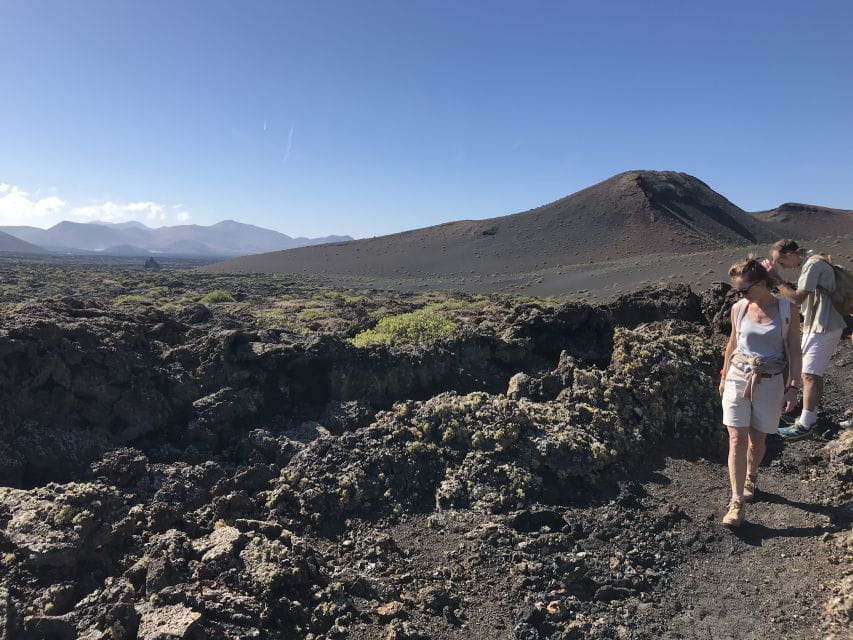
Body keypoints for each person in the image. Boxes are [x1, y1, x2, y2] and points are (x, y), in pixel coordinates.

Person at [719, 257, 801, 527]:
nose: (741, 295)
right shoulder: (739, 308)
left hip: (770, 380)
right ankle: (736, 502)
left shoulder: (787, 310)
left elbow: (794, 350)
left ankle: (751, 476)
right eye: (738, 291)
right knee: (736, 439)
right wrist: (723, 375)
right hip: (738, 377)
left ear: (763, 283)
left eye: (745, 289)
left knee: (757, 440)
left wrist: (792, 387)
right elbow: (733, 343)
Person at [762, 239, 846, 440]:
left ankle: (805, 425)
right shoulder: (812, 262)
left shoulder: (813, 264)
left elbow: (796, 298)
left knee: (808, 374)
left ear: (791, 254)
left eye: (781, 261)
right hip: (820, 323)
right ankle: (810, 416)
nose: (781, 266)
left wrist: (776, 279)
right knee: (813, 374)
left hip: (824, 325)